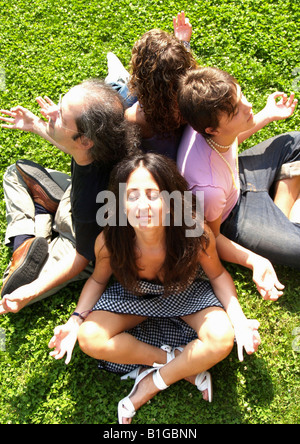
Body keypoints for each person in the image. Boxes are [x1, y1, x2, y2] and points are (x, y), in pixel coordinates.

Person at [48, 153, 261, 424]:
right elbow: (98, 281)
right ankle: (179, 364)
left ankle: (150, 384)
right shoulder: (110, 240)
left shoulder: (194, 232)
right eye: (132, 195)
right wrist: (76, 321)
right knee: (90, 338)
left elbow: (218, 276)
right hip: (133, 295)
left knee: (221, 338)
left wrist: (239, 321)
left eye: (153, 194)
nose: (142, 205)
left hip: (186, 293)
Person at [0, 79, 139, 314]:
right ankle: (43, 214)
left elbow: (82, 258)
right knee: (16, 172)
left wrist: (31, 291)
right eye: (61, 102)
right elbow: (73, 146)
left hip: (81, 241)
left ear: (85, 140)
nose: (52, 113)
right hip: (73, 199)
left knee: (12, 290)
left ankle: (33, 231)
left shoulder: (90, 201)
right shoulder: (109, 143)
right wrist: (35, 124)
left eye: (61, 116)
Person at [177, 66, 299, 299]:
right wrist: (254, 260)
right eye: (236, 111)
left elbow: (229, 141)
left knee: (295, 142)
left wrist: (269, 114)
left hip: (241, 173)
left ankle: (280, 214)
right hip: (233, 215)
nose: (248, 106)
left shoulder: (206, 124)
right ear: (211, 129)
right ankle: (282, 211)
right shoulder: (207, 188)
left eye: (240, 95)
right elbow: (211, 238)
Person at [107, 11, 197, 161]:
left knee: (115, 91)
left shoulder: (133, 117)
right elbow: (177, 73)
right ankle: (118, 76)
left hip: (155, 164)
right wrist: (183, 45)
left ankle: (116, 77)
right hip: (175, 157)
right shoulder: (193, 95)